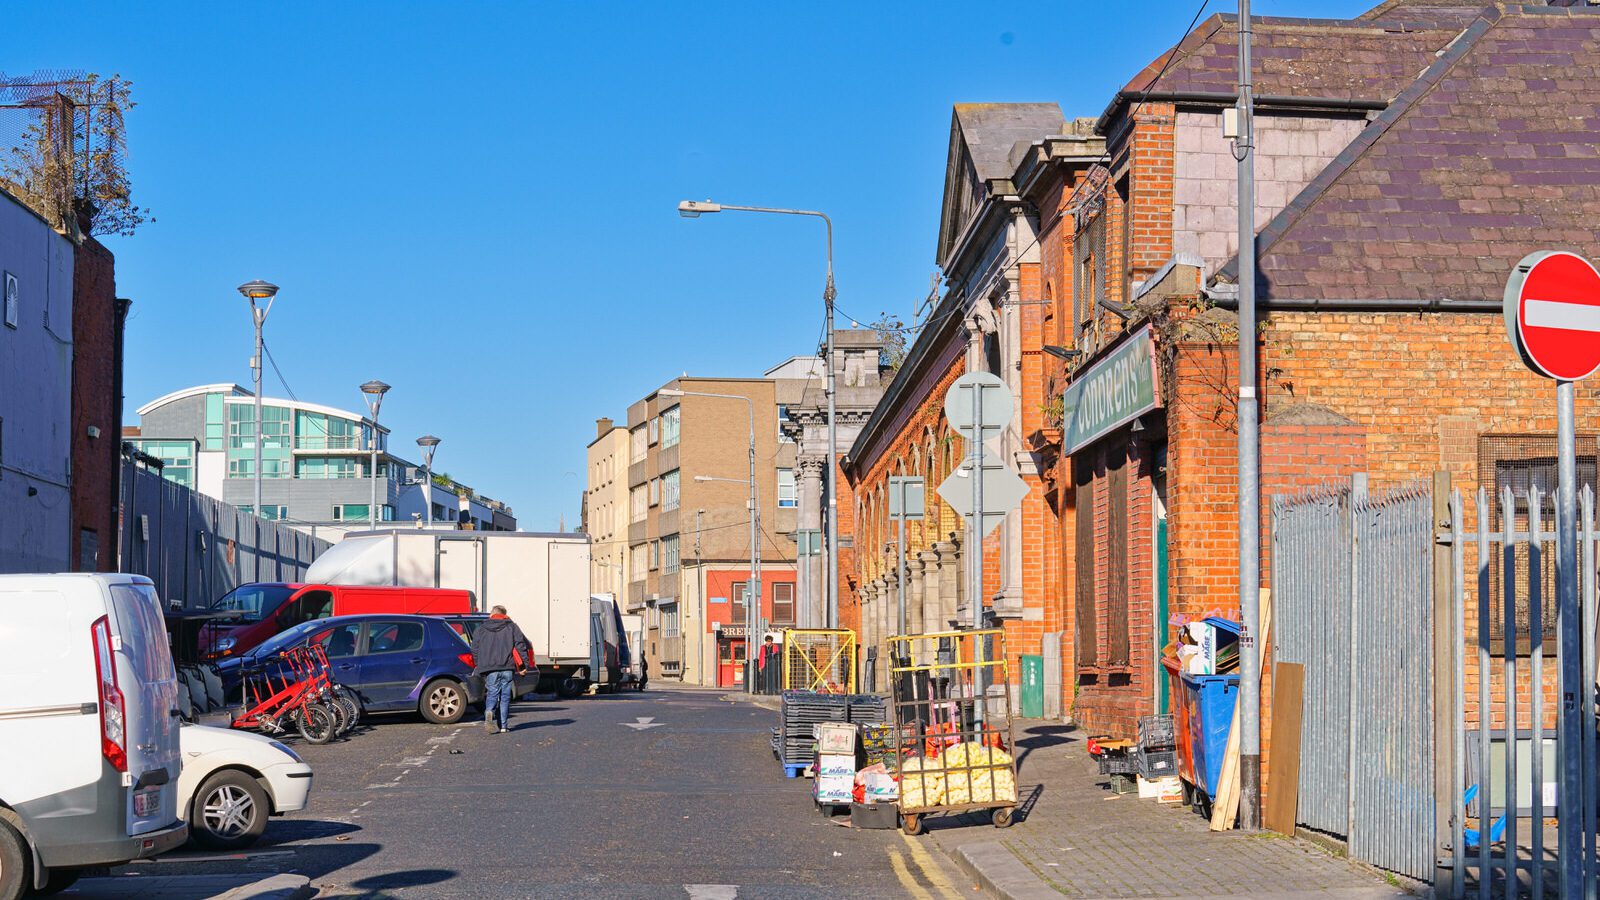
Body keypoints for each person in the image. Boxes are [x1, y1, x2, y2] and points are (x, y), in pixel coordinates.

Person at [471, 605, 531, 734]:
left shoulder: (481, 629)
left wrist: (479, 664)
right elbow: (521, 646)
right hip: (507, 667)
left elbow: (475, 648)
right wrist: (524, 665)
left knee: (492, 693)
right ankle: (504, 726)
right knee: (505, 697)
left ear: (492, 614)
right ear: (504, 614)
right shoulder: (512, 627)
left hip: (490, 668)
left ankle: (489, 712)